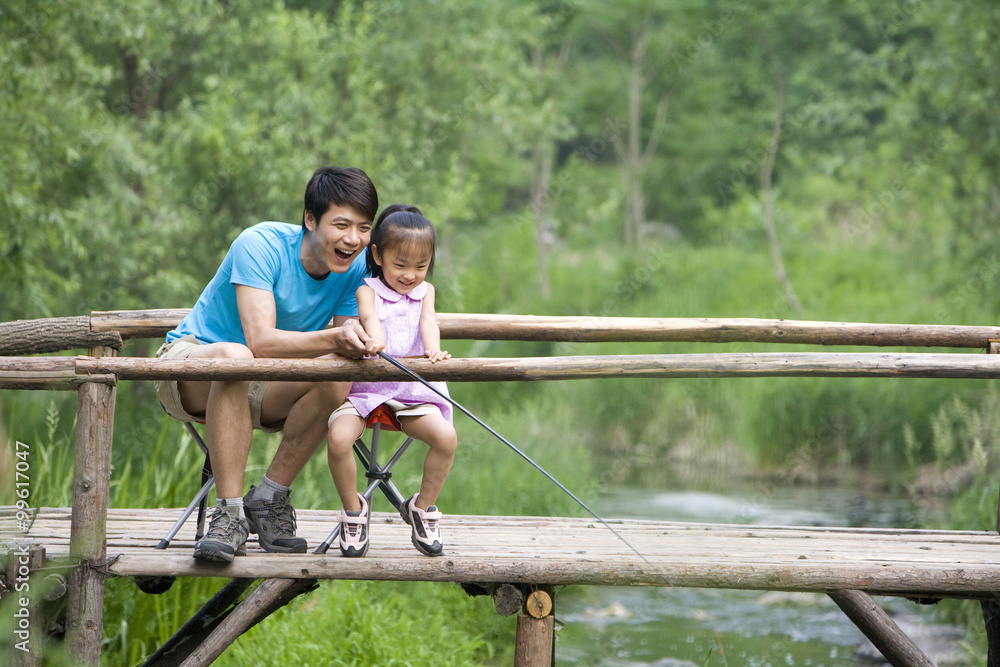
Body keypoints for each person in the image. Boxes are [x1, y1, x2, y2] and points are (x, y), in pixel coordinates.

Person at [154, 166, 379, 563]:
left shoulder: (355, 268)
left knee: (337, 374)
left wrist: (365, 339)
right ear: (310, 219)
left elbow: (346, 345)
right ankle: (228, 514)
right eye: (341, 224)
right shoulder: (259, 244)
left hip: (268, 379)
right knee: (235, 357)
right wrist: (333, 337)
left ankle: (270, 498)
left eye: (364, 227)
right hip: (193, 365)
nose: (354, 239)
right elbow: (259, 341)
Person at [326, 205, 457, 558]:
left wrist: (433, 352)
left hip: (412, 390)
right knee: (338, 438)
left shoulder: (425, 291)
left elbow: (429, 323)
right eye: (400, 265)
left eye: (420, 266)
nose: (410, 275)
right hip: (369, 387)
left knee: (446, 438)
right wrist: (375, 339)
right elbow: (369, 317)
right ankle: (354, 510)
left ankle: (422, 507)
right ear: (378, 255)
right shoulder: (366, 289)